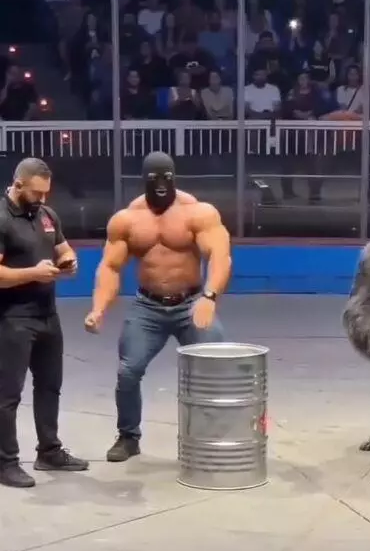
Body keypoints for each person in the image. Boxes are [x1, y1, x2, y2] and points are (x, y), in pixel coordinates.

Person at [85, 151, 232, 463]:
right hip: (148, 307)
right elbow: (110, 268)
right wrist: (99, 309)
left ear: (175, 178)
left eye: (167, 178)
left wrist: (209, 297)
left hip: (192, 303)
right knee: (128, 371)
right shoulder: (128, 219)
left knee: (217, 366)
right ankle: (128, 436)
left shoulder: (198, 212)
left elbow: (220, 257)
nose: (162, 185)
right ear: (144, 181)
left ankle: (214, 434)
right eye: (155, 179)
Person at [0, 158, 89, 488]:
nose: (43, 199)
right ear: (18, 185)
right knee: (8, 395)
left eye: (46, 194)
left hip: (47, 316)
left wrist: (69, 261)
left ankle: (49, 451)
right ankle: (5, 462)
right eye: (37, 194)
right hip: (12, 319)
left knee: (50, 386)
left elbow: (63, 249)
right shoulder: (1, 219)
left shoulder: (47, 216)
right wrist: (32, 273)